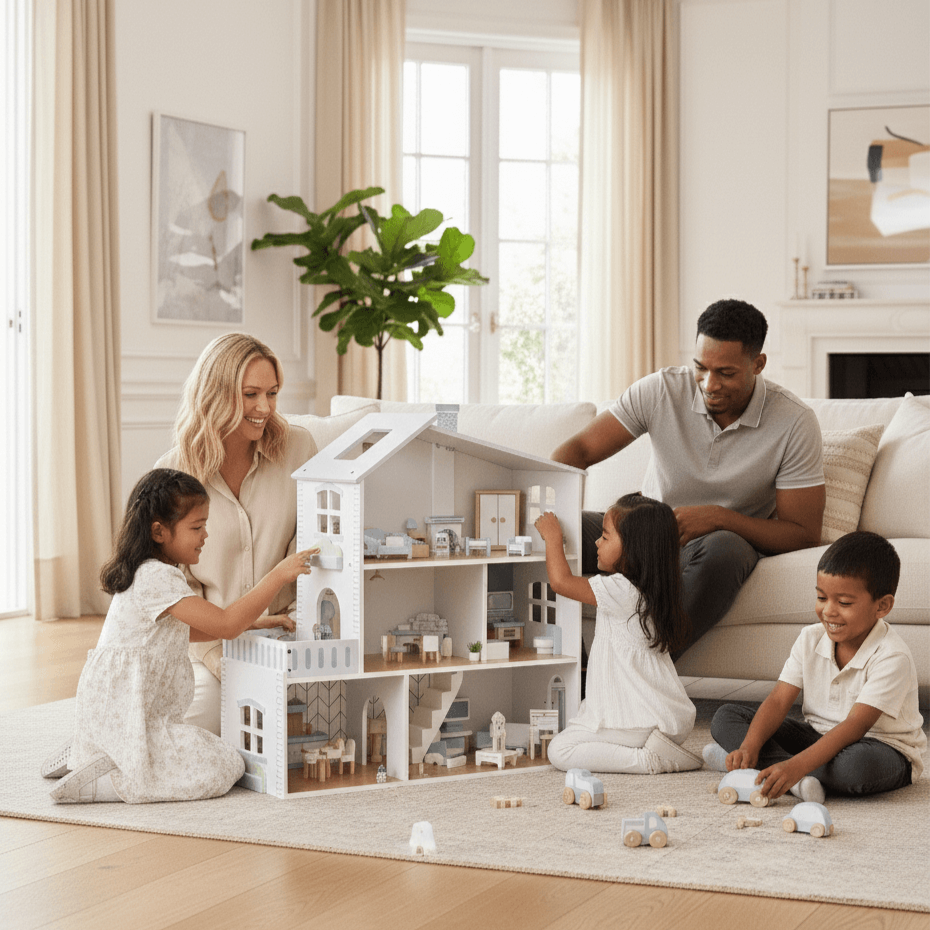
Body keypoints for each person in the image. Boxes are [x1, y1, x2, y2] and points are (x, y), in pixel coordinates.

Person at [551, 298, 826, 659]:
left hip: (721, 545)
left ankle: (646, 664)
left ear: (757, 364)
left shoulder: (794, 422)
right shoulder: (662, 390)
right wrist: (553, 508)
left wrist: (719, 517)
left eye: (726, 373)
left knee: (725, 549)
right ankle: (574, 666)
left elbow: (803, 533)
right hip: (646, 534)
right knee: (556, 529)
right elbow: (579, 450)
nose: (709, 384)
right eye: (701, 368)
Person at [43, 468, 319, 803]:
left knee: (207, 754)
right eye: (197, 527)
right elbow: (225, 624)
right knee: (225, 765)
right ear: (159, 532)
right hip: (133, 717)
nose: (205, 535)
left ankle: (96, 753)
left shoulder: (147, 573)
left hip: (118, 713)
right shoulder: (157, 578)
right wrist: (278, 575)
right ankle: (104, 779)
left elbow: (185, 632)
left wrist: (256, 622)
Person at [156, 333, 317, 734]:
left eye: (272, 393)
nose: (264, 408)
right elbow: (176, 589)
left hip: (286, 642)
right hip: (210, 648)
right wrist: (224, 664)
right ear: (216, 393)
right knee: (195, 732)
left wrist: (296, 641)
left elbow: (311, 554)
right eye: (250, 394)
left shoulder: (298, 449)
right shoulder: (174, 474)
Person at [703, 531, 926, 802]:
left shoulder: (892, 656)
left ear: (882, 606)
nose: (829, 611)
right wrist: (750, 745)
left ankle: (768, 769)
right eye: (822, 598)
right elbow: (777, 700)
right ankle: (782, 773)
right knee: (726, 716)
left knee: (854, 768)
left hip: (879, 748)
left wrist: (795, 766)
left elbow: (855, 725)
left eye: (844, 603)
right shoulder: (810, 637)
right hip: (816, 736)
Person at [535, 494, 702, 774]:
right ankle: (659, 748)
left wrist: (553, 538)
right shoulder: (652, 591)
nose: (597, 543)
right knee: (579, 727)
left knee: (560, 750)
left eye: (605, 536)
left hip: (639, 721)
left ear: (634, 549)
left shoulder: (622, 590)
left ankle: (649, 760)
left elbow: (561, 582)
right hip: (661, 719)